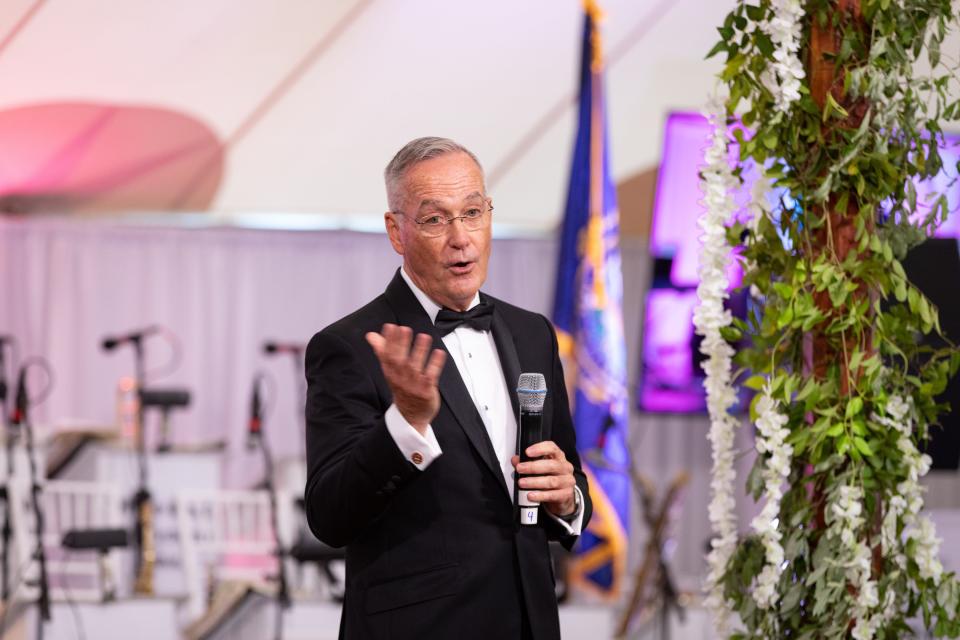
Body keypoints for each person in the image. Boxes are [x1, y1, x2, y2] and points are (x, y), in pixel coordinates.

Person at [304, 137, 592, 639]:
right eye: (436, 219)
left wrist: (567, 501)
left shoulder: (533, 334)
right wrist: (407, 423)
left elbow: (565, 475)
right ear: (397, 231)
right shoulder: (351, 346)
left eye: (473, 212)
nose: (462, 238)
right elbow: (330, 517)